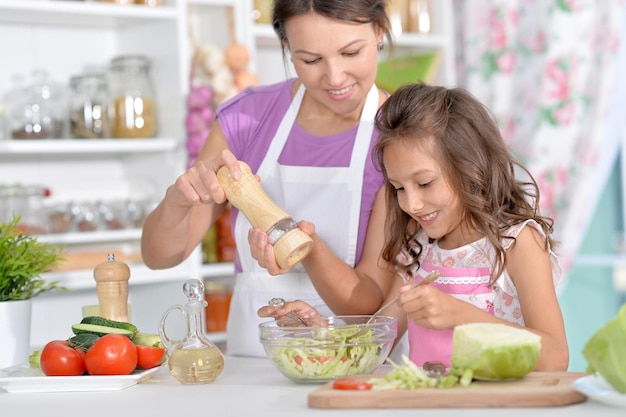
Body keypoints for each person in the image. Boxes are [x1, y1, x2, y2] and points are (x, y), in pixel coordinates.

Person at [141, 0, 399, 357]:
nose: (335, 77)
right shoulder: (248, 118)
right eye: (310, 60)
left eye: (351, 52)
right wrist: (178, 200)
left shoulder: (399, 135)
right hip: (253, 357)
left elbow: (366, 303)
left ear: (379, 32)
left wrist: (299, 245)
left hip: (349, 359)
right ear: (287, 49)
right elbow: (160, 256)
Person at [265, 83, 570, 371]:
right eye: (399, 188)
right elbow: (372, 345)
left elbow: (555, 357)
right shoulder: (420, 248)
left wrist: (462, 316)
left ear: (470, 167)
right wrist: (319, 329)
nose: (410, 205)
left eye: (424, 183)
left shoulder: (516, 243)